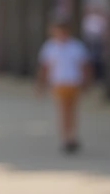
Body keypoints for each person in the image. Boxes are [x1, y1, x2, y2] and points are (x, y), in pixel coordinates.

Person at [37, 19, 91, 153]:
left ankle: (72, 135)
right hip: (58, 83)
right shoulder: (50, 47)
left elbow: (84, 65)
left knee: (72, 110)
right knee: (63, 110)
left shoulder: (76, 46)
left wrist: (86, 82)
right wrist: (41, 84)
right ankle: (66, 137)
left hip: (73, 82)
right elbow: (45, 67)